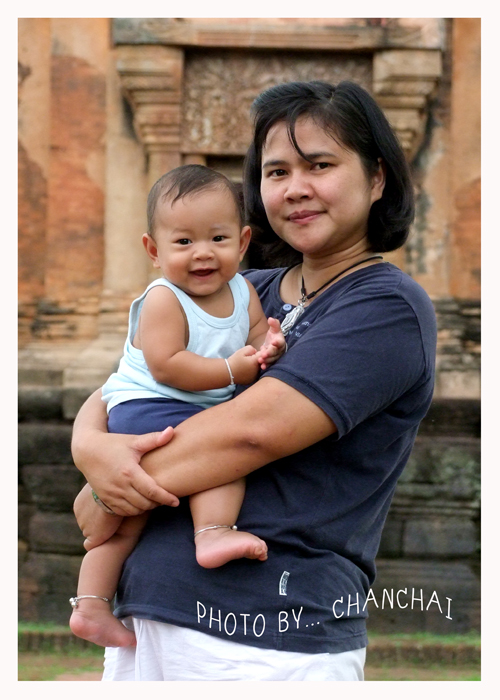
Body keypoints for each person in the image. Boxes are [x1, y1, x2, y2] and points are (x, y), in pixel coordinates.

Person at [71, 80, 437, 681]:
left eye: (320, 165)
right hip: (149, 617)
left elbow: (251, 433)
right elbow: (124, 383)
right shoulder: (241, 288)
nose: (295, 188)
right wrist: (89, 449)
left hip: (268, 634)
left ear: (376, 178)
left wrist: (108, 493)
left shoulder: (385, 306)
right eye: (276, 172)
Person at [69, 164, 286, 649]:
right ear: (154, 251)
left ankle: (90, 607)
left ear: (242, 242)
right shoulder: (164, 299)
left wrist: (268, 346)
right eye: (184, 242)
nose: (202, 252)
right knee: (222, 459)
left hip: (187, 404)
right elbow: (167, 365)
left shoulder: (243, 290)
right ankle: (212, 531)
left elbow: (253, 336)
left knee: (130, 517)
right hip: (149, 404)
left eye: (217, 238)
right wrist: (231, 371)